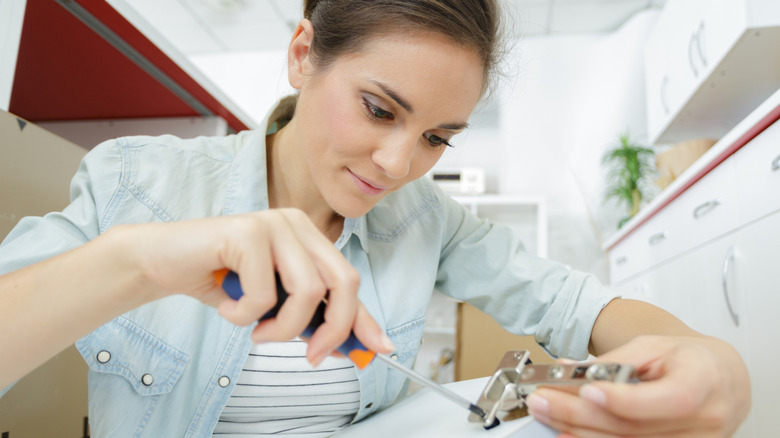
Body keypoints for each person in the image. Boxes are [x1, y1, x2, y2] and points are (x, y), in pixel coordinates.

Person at [0, 0, 750, 436]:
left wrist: (719, 367)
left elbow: (574, 305)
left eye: (435, 138)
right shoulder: (138, 180)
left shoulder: (427, 220)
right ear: (303, 54)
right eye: (378, 108)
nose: (397, 164)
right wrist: (145, 261)